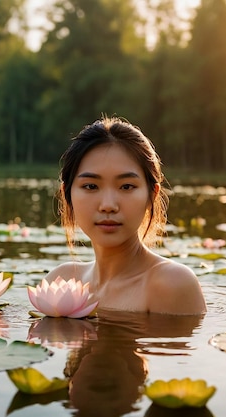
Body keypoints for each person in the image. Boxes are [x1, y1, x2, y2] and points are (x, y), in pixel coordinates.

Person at [44, 116, 206, 315]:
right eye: (91, 186)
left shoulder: (171, 284)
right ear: (66, 194)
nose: (108, 206)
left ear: (151, 195)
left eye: (126, 186)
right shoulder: (61, 283)